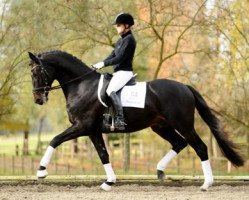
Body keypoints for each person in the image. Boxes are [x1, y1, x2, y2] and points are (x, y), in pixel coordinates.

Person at [92, 13, 136, 130]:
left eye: (118, 25)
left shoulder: (130, 40)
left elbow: (119, 58)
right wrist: (98, 65)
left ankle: (120, 120)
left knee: (111, 89)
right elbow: (111, 56)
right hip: (118, 73)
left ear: (126, 26)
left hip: (125, 72)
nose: (116, 27)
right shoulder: (120, 41)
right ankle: (109, 118)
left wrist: (103, 64)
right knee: (104, 90)